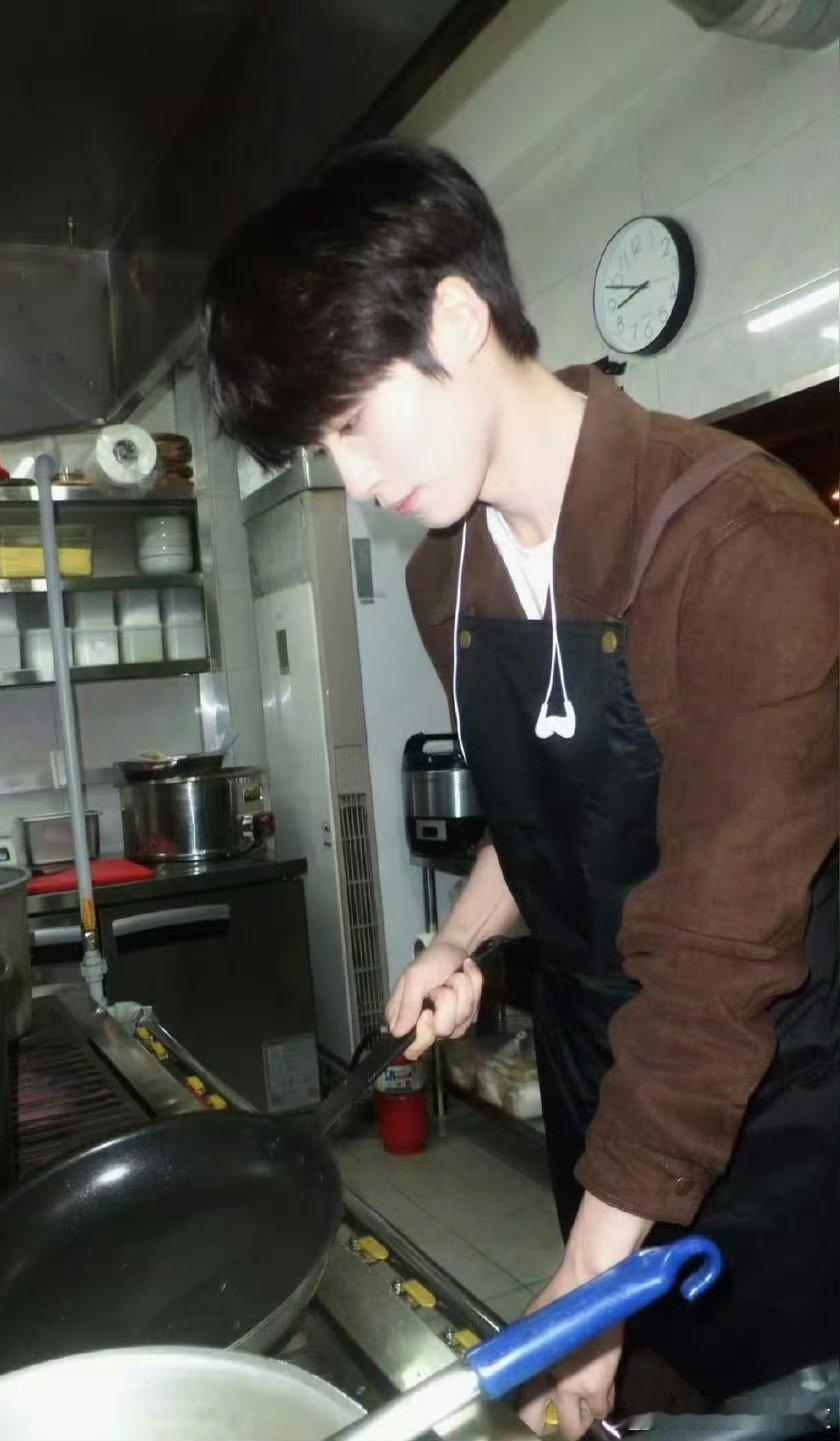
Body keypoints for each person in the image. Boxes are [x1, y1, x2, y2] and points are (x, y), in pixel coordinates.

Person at [200, 138, 839, 1436]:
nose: (356, 481)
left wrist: (588, 1284)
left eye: (351, 421)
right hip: (603, 1092)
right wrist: (459, 937)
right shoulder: (449, 576)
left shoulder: (742, 546)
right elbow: (547, 808)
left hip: (775, 1106)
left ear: (454, 317)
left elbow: (717, 962)